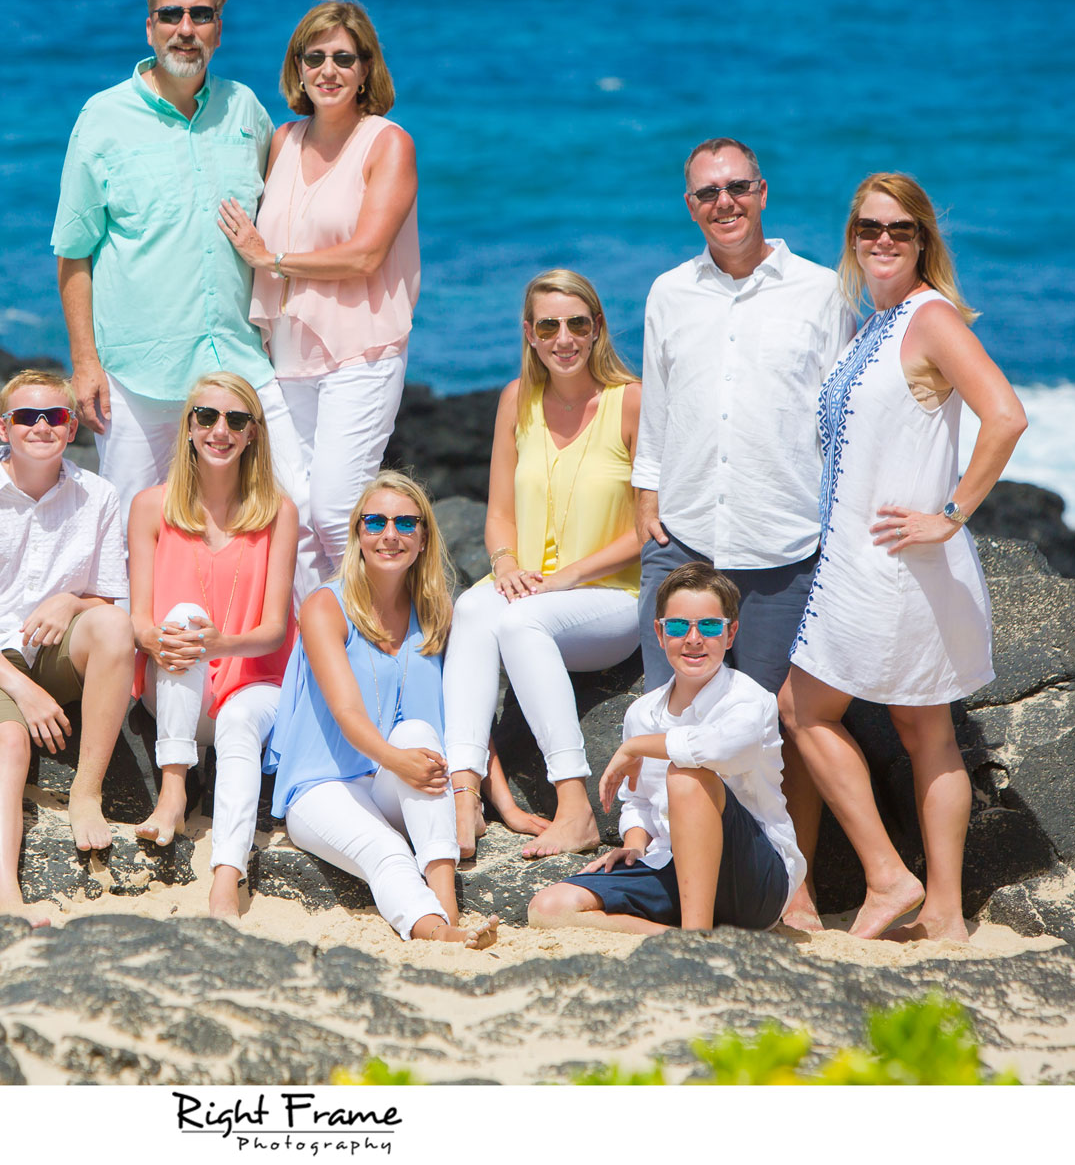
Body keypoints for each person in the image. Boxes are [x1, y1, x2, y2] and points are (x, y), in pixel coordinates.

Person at [784, 173, 1026, 943]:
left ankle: (889, 877)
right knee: (928, 735)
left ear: (924, 241)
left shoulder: (929, 318)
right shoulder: (877, 324)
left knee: (802, 709)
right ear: (852, 238)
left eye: (899, 230)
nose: (881, 241)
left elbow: (1006, 414)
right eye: (867, 228)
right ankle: (947, 916)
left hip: (888, 564)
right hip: (877, 561)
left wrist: (950, 515)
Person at [633, 136, 856, 928]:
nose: (723, 203)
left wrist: (846, 526)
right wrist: (644, 490)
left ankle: (792, 887)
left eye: (737, 188)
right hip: (684, 536)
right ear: (688, 205)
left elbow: (843, 417)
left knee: (765, 726)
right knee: (669, 710)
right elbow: (657, 405)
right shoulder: (669, 292)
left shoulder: (823, 290)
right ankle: (668, 865)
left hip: (783, 542)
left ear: (763, 192)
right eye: (706, 194)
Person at [52, 0, 302, 531]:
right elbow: (73, 251)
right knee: (130, 524)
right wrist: (85, 362)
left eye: (200, 15)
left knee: (293, 505)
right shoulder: (103, 118)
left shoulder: (245, 110)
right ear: (150, 26)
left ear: (219, 28)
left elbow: (292, 207)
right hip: (139, 371)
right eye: (171, 15)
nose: (185, 29)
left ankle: (277, 625)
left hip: (240, 360)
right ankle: (135, 625)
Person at [215, 0, 420, 596]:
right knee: (295, 518)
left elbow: (365, 254)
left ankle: (383, 633)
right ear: (298, 69)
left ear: (365, 70)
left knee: (337, 511)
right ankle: (316, 653)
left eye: (343, 58)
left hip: (363, 349)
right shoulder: (283, 139)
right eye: (315, 58)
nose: (328, 70)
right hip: (287, 354)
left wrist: (270, 259)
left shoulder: (388, 143)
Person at [0, 369, 138, 926]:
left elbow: (111, 603)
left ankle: (85, 793)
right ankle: (6, 901)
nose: (41, 426)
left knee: (115, 630)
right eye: (26, 417)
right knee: (10, 743)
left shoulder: (99, 495)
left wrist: (70, 601)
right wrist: (24, 692)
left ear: (71, 429)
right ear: (4, 427)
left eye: (55, 417)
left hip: (54, 645)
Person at [442, 269, 643, 860]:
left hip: (610, 599)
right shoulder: (515, 400)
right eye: (549, 325)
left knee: (516, 622)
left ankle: (575, 805)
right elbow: (498, 514)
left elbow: (651, 523)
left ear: (597, 328)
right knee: (472, 607)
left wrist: (565, 579)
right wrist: (503, 563)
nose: (564, 338)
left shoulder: (630, 401)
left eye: (577, 324)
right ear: (529, 333)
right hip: (527, 588)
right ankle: (465, 796)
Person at [265, 470, 499, 948]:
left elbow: (466, 715)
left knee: (417, 732)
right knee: (388, 851)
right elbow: (348, 711)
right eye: (375, 522)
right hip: (321, 788)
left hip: (393, 786)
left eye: (405, 524)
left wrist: (500, 803)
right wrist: (400, 762)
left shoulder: (435, 613)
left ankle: (448, 908)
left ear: (423, 537)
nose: (389, 535)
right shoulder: (324, 607)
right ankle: (437, 929)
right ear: (358, 533)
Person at [529, 563, 804, 934]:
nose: (693, 638)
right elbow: (639, 801)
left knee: (687, 776)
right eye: (678, 626)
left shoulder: (749, 699)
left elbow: (723, 749)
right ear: (659, 633)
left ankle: (693, 938)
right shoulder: (642, 712)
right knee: (548, 907)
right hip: (672, 868)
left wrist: (637, 747)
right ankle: (688, 940)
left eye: (709, 626)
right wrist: (635, 844)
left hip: (754, 880)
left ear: (731, 633)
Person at [127, 372, 299, 920]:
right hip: (180, 688)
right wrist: (165, 639)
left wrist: (220, 643)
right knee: (181, 618)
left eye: (235, 419)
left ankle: (227, 878)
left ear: (253, 433)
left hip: (255, 682)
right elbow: (138, 621)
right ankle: (174, 786)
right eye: (206, 417)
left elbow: (275, 629)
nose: (219, 430)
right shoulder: (151, 506)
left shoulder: (278, 511)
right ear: (188, 427)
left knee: (238, 721)